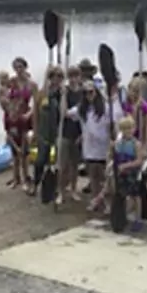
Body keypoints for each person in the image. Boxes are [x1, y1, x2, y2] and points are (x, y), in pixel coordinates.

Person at [68, 81, 123, 212]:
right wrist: (64, 95)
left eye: (91, 92)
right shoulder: (81, 109)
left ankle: (108, 203)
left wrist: (115, 141)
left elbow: (115, 123)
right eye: (86, 93)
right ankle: (96, 201)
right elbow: (67, 113)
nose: (89, 95)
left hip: (104, 148)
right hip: (89, 148)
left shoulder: (106, 107)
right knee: (93, 177)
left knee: (106, 178)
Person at [28, 66, 66, 198]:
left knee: (55, 161)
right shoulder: (42, 93)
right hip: (43, 132)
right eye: (54, 76)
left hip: (57, 133)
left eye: (59, 77)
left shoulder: (63, 94)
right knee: (39, 160)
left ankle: (53, 187)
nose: (56, 79)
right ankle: (35, 184)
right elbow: (35, 113)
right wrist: (35, 131)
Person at [111, 115, 146, 232]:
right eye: (125, 129)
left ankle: (138, 219)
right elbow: (114, 157)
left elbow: (139, 161)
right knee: (122, 194)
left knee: (135, 196)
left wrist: (126, 165)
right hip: (121, 173)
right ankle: (122, 215)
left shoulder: (136, 144)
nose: (128, 131)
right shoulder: (119, 143)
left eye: (130, 128)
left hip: (132, 173)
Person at [6, 57, 37, 188]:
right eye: (16, 67)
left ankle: (26, 178)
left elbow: (36, 102)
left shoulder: (31, 84)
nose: (18, 70)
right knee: (14, 149)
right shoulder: (12, 82)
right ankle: (16, 178)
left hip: (25, 116)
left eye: (20, 67)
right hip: (12, 116)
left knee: (24, 150)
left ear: (25, 67)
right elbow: (5, 97)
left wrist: (30, 114)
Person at [57, 66, 84, 203]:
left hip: (78, 133)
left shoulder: (83, 93)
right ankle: (61, 191)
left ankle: (73, 189)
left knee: (75, 165)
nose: (73, 79)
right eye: (71, 76)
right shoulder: (65, 92)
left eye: (76, 76)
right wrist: (63, 96)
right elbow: (63, 113)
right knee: (63, 165)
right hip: (65, 133)